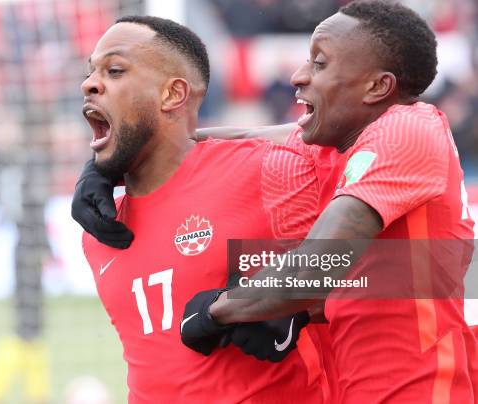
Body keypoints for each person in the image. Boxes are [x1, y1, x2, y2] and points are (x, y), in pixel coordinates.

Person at [180, 1, 477, 403]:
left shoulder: (405, 130)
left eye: (319, 63)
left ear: (377, 87)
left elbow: (314, 269)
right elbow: (246, 137)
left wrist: (217, 310)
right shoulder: (351, 138)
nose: (298, 76)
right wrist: (125, 163)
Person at [78, 15, 332, 403]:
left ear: (172, 95)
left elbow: (427, 269)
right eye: (91, 71)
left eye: (114, 70)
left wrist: (296, 305)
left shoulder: (270, 169)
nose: (89, 83)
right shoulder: (101, 229)